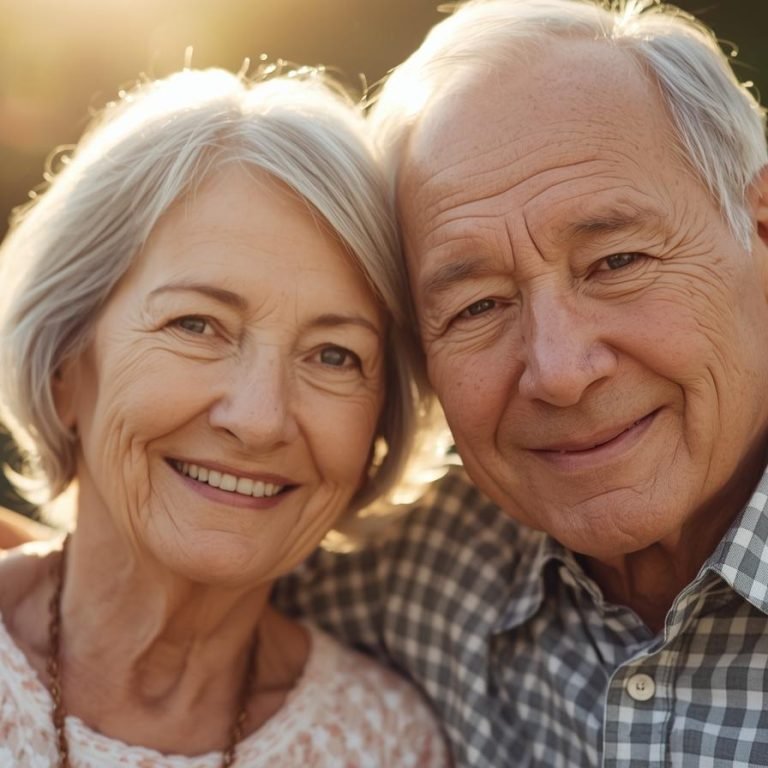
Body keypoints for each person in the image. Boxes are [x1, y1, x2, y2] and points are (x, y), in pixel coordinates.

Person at [269, 1, 768, 766]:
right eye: (478, 306)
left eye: (617, 263)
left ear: (759, 227)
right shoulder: (419, 563)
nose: (560, 373)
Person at [0, 66, 449, 766]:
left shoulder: (386, 744)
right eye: (198, 325)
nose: (261, 418)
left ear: (379, 429)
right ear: (64, 368)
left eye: (334, 355)